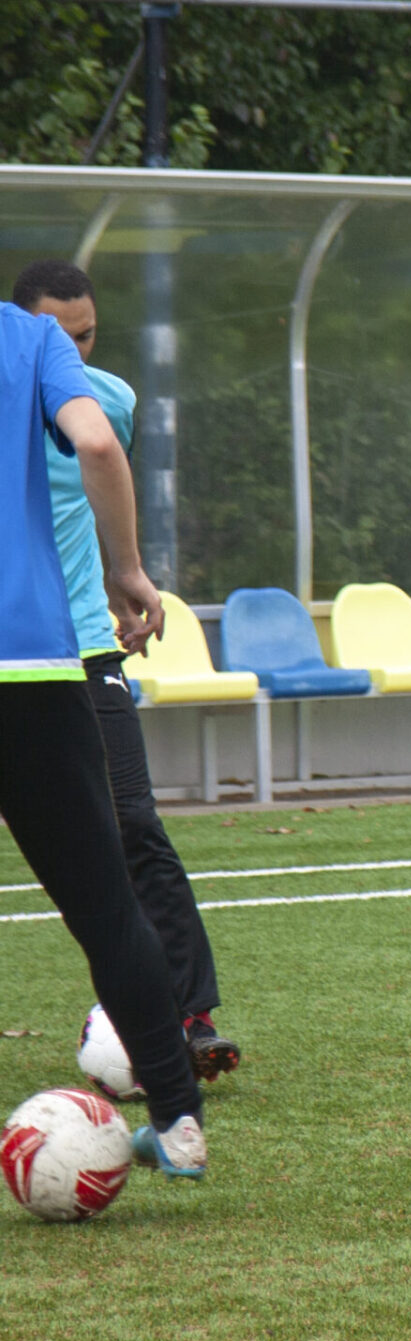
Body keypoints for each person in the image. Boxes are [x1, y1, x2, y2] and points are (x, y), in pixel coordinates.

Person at [11, 260, 240, 1084]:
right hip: (19, 658)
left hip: (86, 648)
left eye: (88, 335)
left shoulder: (111, 400)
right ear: (24, 331)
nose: (74, 347)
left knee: (134, 825)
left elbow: (104, 482)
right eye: (58, 336)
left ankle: (191, 1013)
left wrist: (125, 575)